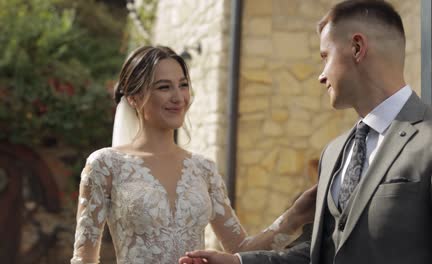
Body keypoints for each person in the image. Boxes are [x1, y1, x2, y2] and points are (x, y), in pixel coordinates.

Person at [181, 1, 432, 264]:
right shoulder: (333, 153)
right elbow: (320, 253)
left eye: (324, 55)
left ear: (357, 48)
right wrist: (236, 262)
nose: (321, 75)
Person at [70, 45, 317, 264]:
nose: (179, 98)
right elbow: (84, 260)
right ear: (134, 98)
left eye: (183, 85)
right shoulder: (105, 165)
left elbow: (240, 250)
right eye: (164, 87)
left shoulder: (203, 169)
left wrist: (294, 217)